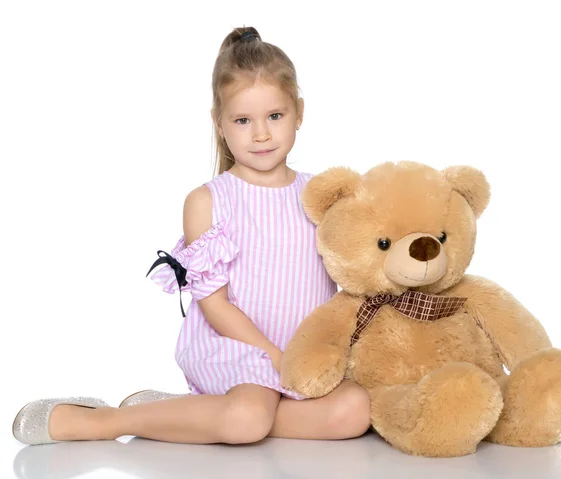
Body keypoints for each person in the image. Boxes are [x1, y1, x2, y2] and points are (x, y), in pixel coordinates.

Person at [13, 26, 371, 446]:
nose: (261, 134)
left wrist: (312, 356)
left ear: (300, 112)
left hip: (305, 354)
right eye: (243, 120)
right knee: (247, 420)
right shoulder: (209, 201)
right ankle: (108, 421)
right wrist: (276, 358)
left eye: (275, 116)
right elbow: (215, 306)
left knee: (356, 411)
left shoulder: (321, 196)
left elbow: (355, 278)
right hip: (238, 349)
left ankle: (180, 414)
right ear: (219, 123)